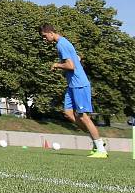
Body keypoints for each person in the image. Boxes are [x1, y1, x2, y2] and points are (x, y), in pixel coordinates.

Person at [40, 24, 107, 158]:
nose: (44, 39)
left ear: (51, 33)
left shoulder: (61, 45)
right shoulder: (64, 43)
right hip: (72, 85)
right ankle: (96, 140)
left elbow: (70, 65)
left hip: (79, 85)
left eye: (44, 36)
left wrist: (56, 65)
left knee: (83, 116)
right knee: (68, 113)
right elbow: (78, 57)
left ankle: (101, 149)